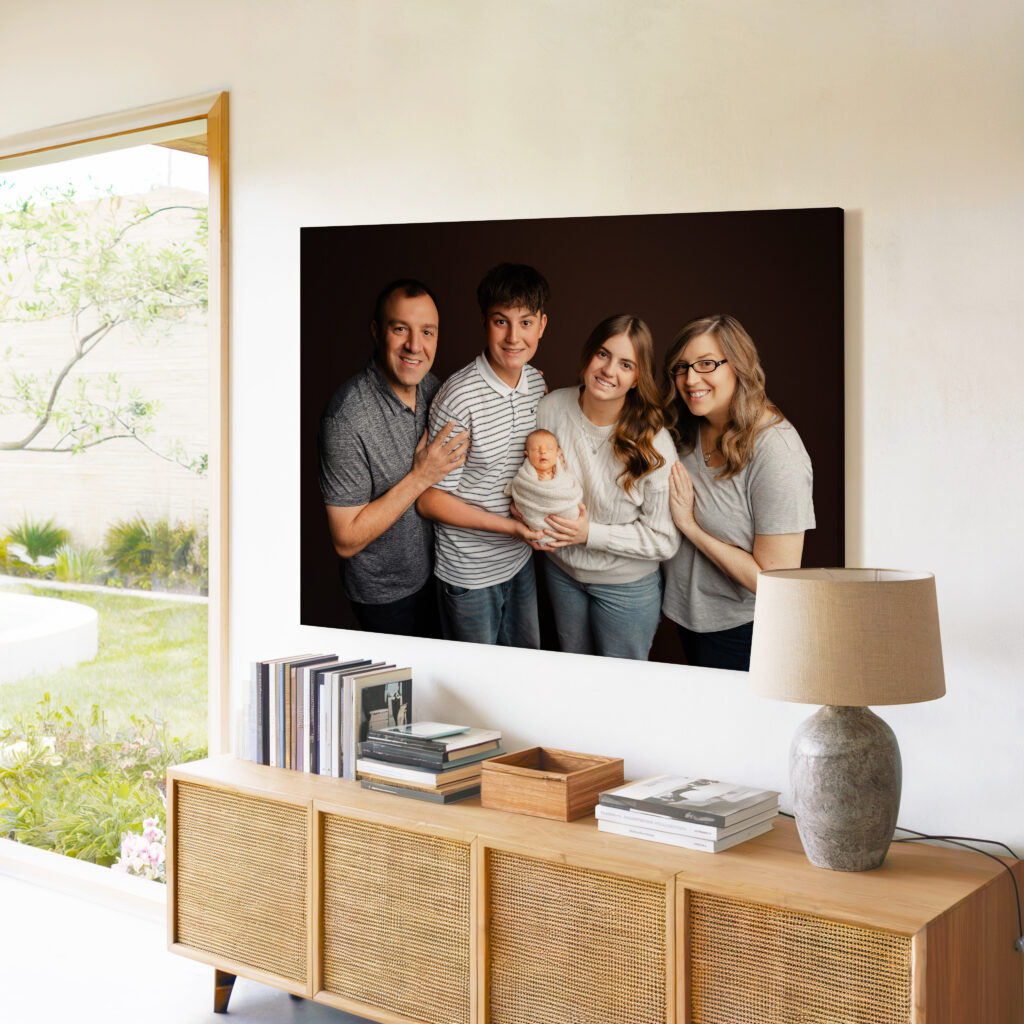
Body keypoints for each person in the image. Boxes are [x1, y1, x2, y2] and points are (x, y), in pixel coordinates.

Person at [660, 314, 815, 671]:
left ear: (739, 366)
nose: (690, 379)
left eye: (706, 364)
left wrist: (691, 527)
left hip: (745, 631)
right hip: (687, 620)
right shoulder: (690, 424)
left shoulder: (777, 451)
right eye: (682, 367)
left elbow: (775, 581)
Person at [317, 278, 468, 637]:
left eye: (427, 332)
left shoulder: (434, 387)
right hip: (386, 597)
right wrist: (419, 476)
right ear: (376, 331)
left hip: (441, 573)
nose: (415, 346)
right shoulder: (345, 418)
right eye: (400, 329)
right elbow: (345, 538)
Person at [417, 263, 549, 648]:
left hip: (519, 561)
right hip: (469, 573)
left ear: (542, 325)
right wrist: (512, 528)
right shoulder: (459, 397)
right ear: (484, 322)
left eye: (525, 323)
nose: (513, 337)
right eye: (500, 321)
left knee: (525, 674)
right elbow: (429, 500)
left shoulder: (537, 383)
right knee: (475, 689)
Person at [534, 314, 679, 660]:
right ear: (588, 355)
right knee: (574, 676)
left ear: (636, 379)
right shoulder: (550, 408)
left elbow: (665, 540)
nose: (609, 370)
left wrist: (589, 534)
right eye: (603, 354)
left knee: (622, 690)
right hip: (562, 573)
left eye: (626, 364)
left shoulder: (654, 443)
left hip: (626, 587)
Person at [503, 429, 582, 546]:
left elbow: (567, 489)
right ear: (527, 454)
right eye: (536, 449)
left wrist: (550, 482)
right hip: (536, 518)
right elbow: (521, 487)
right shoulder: (525, 476)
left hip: (561, 514)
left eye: (549, 449)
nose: (543, 452)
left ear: (557, 453)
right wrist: (541, 485)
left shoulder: (561, 476)